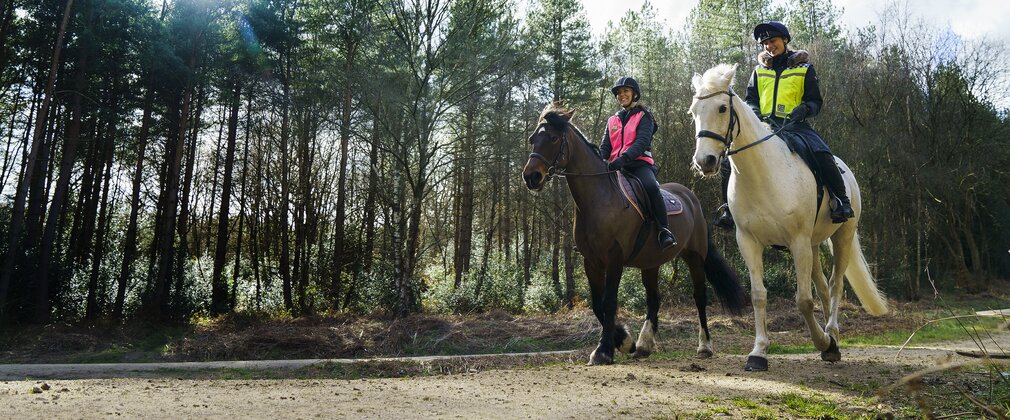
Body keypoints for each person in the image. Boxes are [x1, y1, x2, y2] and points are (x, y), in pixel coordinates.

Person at [713, 21, 854, 229]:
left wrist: (804, 110)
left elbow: (816, 101)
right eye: (765, 44)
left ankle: (841, 201)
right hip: (764, 126)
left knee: (821, 152)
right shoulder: (758, 72)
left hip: (795, 126)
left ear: (785, 40)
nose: (769, 46)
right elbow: (751, 99)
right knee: (729, 160)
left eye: (773, 41)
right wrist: (756, 114)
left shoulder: (805, 69)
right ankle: (728, 208)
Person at [600, 76, 677, 249]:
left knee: (650, 186)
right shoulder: (612, 120)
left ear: (635, 94)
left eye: (625, 91)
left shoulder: (645, 115)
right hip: (615, 167)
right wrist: (599, 161)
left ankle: (664, 230)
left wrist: (623, 159)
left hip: (639, 165)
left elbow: (641, 143)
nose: (622, 95)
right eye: (619, 93)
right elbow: (605, 147)